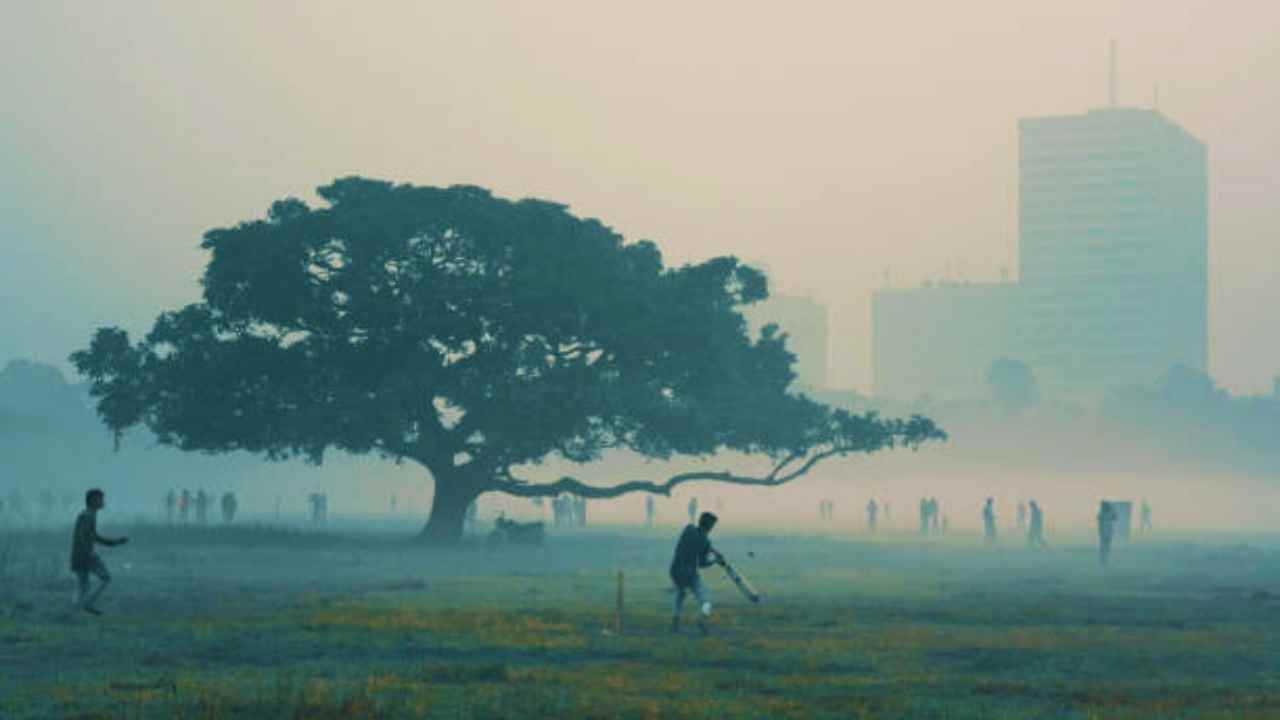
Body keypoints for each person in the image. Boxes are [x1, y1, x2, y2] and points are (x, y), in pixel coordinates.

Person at [70, 489, 129, 615]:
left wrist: (114, 543)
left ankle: (76, 610)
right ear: (93, 501)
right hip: (85, 555)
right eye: (100, 499)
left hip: (80, 555)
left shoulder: (88, 514)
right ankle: (86, 604)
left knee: (83, 586)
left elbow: (90, 536)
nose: (103, 502)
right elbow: (87, 537)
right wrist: (113, 543)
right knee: (105, 578)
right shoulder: (87, 516)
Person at [670, 511, 721, 635]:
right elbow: (703, 563)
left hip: (675, 570)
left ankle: (675, 623)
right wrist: (715, 560)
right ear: (710, 527)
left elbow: (697, 539)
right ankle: (702, 620)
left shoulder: (688, 529)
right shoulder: (705, 542)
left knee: (680, 595)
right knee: (705, 600)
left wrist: (710, 548)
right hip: (690, 574)